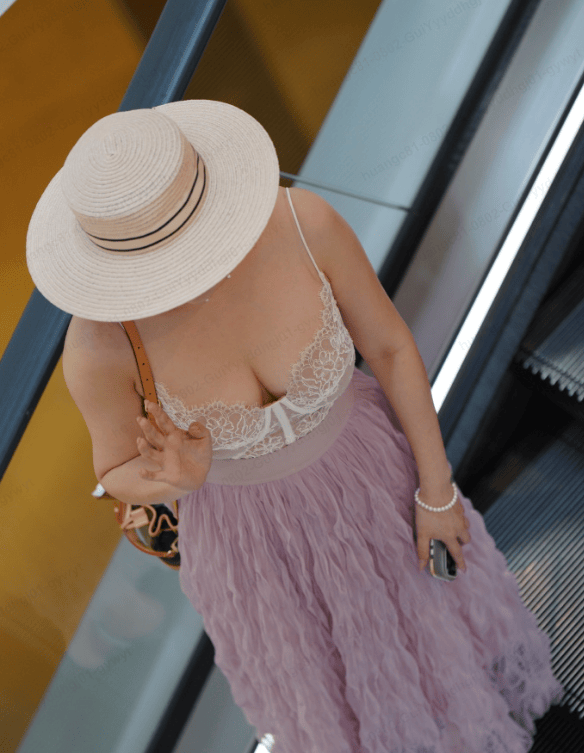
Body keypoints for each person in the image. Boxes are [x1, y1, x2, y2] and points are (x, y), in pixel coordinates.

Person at [27, 100, 564, 753]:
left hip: (375, 480)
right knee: (343, 693)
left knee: (438, 632)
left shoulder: (303, 223)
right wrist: (176, 479)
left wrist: (436, 488)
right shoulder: (100, 347)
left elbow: (390, 348)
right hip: (253, 545)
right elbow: (114, 470)